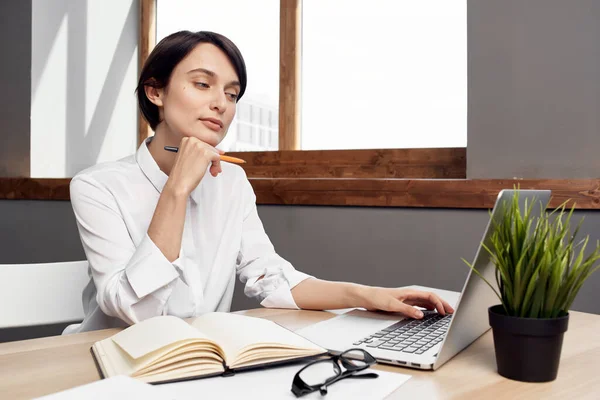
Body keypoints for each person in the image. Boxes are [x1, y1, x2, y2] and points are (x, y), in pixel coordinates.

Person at [65, 30, 453, 334]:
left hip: (197, 364)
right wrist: (177, 189)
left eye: (231, 94)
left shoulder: (231, 181)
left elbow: (269, 277)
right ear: (156, 91)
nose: (221, 103)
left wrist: (367, 295)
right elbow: (136, 310)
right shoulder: (97, 187)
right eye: (203, 84)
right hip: (110, 363)